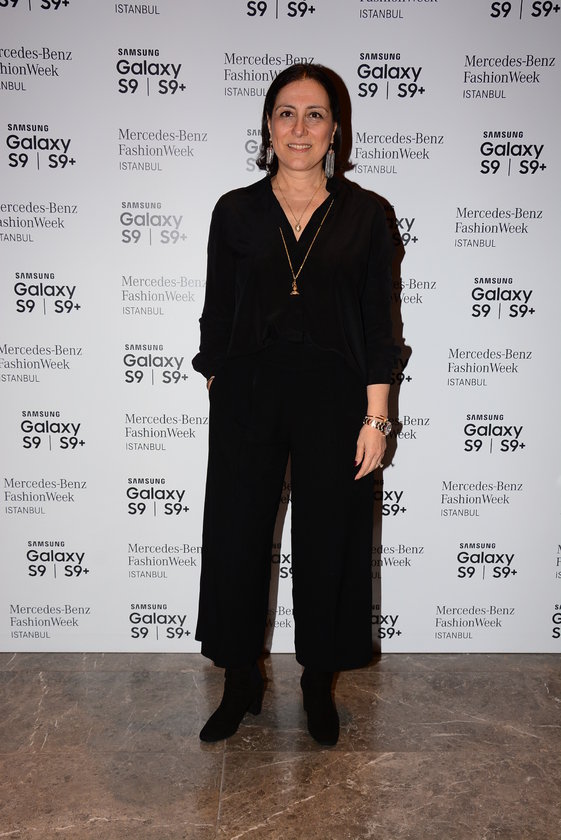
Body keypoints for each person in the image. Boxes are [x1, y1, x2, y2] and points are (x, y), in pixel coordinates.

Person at [192, 63, 396, 746]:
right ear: (267, 125)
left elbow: (379, 324)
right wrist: (219, 379)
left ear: (335, 130)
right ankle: (240, 681)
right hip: (248, 390)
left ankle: (317, 683)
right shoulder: (234, 211)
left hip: (336, 396)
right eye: (286, 113)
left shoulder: (366, 215)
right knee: (236, 536)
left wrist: (376, 418)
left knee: (330, 538)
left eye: (315, 114)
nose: (299, 128)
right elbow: (217, 312)